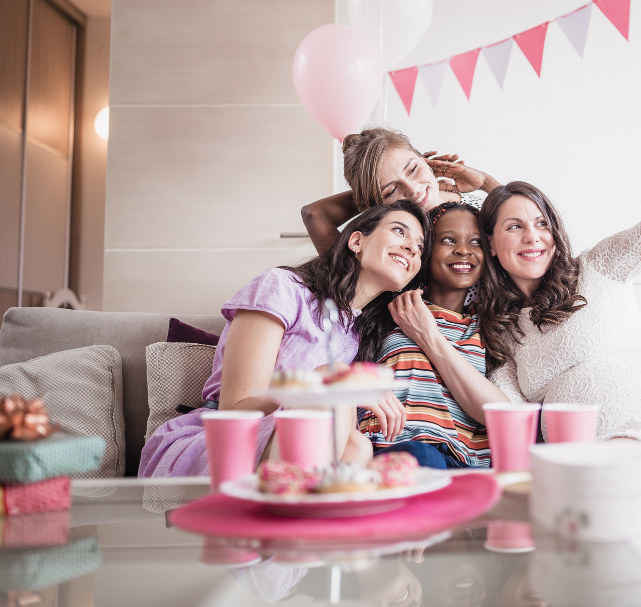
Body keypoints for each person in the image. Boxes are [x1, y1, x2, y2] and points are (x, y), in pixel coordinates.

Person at [479, 117, 641, 521]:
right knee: (558, 493)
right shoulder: (504, 337)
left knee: (580, 488)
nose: (533, 237)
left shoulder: (598, 269)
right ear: (492, 247)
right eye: (515, 227)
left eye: (542, 224)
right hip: (592, 467)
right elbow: (507, 416)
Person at [139, 201, 430, 477]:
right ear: (356, 241)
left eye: (419, 247)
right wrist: (333, 378)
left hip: (298, 451)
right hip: (219, 440)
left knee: (359, 446)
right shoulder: (283, 287)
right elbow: (236, 408)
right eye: (399, 231)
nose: (411, 248)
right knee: (331, 387)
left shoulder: (361, 335)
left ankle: (307, 520)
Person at [360, 202, 509, 469]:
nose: (463, 250)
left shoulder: (489, 323)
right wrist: (405, 192)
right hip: (391, 452)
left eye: (476, 242)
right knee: (424, 457)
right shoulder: (388, 303)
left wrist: (488, 185)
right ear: (425, 250)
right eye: (449, 239)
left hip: (462, 462)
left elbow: (531, 250)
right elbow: (316, 217)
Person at [302, 127, 500, 256]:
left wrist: (486, 182)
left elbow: (528, 227)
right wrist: (369, 197)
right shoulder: (394, 249)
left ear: (425, 160)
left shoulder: (482, 206)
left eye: (413, 169)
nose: (412, 189)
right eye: (391, 191)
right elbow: (314, 214)